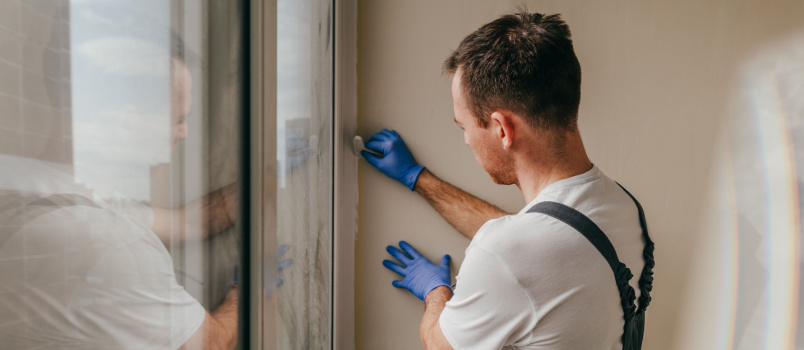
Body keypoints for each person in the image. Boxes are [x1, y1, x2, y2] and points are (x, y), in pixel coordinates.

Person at [362, 12, 655, 349]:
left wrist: (436, 293)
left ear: (502, 129)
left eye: (464, 126)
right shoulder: (623, 205)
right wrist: (419, 179)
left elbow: (438, 344)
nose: (466, 140)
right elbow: (542, 240)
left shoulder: (510, 253)